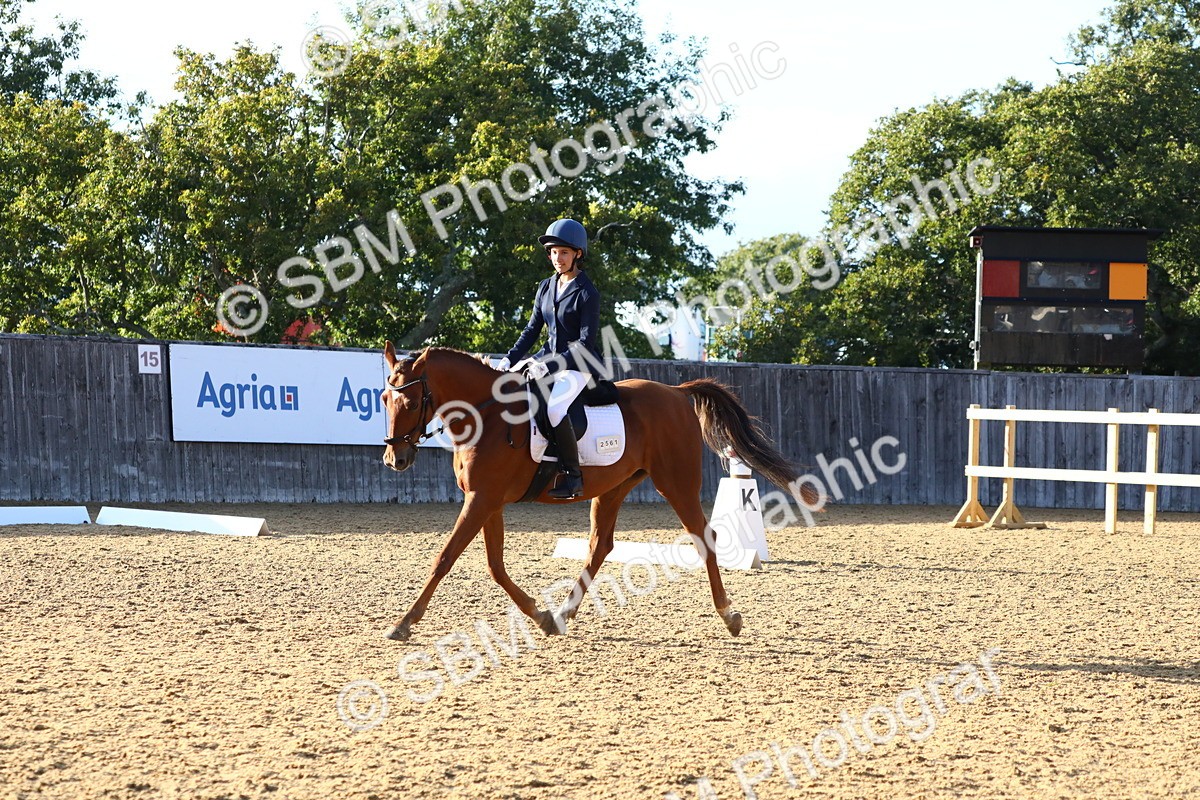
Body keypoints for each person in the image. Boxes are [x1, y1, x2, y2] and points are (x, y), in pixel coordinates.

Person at [496, 219, 600, 499]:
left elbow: (585, 343)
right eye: (554, 252)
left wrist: (551, 365)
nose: (557, 258)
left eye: (564, 252)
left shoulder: (587, 292)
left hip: (580, 364)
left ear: (578, 253)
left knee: (555, 409)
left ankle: (573, 477)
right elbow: (532, 329)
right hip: (546, 358)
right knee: (514, 389)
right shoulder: (545, 286)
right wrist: (510, 360)